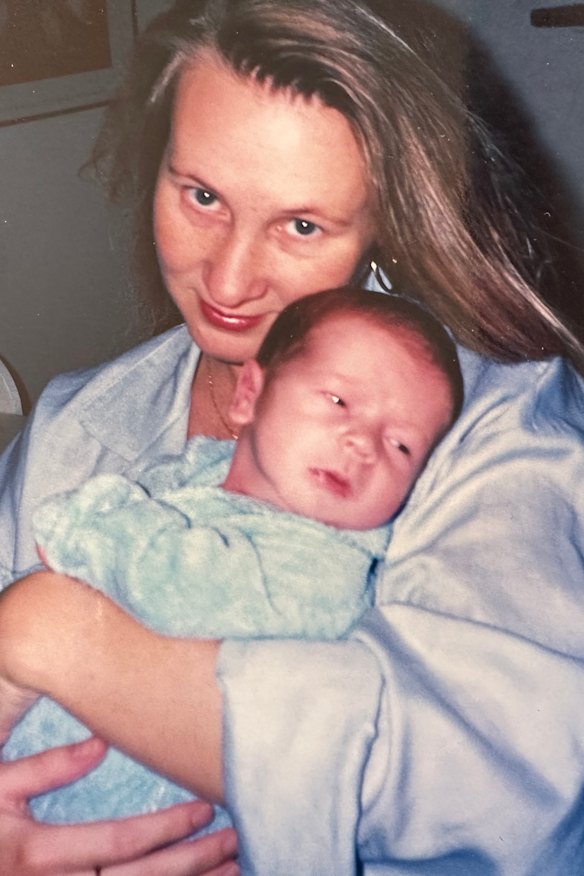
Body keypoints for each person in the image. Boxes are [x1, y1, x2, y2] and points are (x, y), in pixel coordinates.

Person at [1, 0, 584, 873]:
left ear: (388, 221)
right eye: (201, 196)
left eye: (302, 226)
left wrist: (62, 633)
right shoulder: (82, 421)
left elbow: (499, 782)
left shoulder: (499, 423)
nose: (230, 280)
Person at [3, 286, 462, 828]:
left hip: (138, 827)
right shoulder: (192, 477)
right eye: (339, 402)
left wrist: (89, 530)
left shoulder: (326, 562)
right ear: (249, 396)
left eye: (402, 445)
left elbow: (189, 595)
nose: (363, 442)